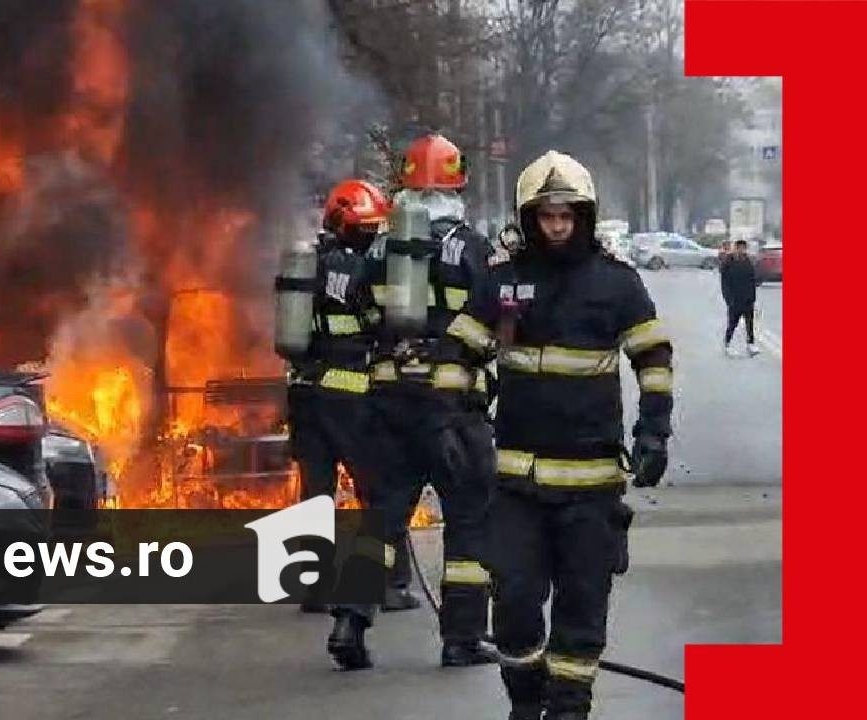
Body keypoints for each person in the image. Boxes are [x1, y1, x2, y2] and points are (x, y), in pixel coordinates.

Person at [485, 150, 673, 720]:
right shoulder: (504, 280)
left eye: (568, 215)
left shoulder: (617, 283)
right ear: (529, 218)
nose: (558, 225)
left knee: (582, 608)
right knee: (514, 605)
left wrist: (654, 432)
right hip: (517, 483)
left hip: (592, 488)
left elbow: (653, 357)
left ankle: (570, 707)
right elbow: (463, 348)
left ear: (585, 216)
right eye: (547, 216)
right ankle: (525, 698)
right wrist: (451, 415)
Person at [328, 133, 500, 670]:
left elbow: (356, 308)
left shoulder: (381, 246)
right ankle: (462, 638)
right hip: (451, 408)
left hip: (388, 403)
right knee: (469, 519)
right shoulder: (470, 245)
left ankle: (349, 620)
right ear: (458, 185)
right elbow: (495, 311)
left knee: (381, 518)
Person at [282, 179, 391, 615]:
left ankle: (313, 586)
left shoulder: (308, 264)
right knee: (375, 490)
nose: (372, 237)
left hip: (304, 394)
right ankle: (382, 581)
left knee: (316, 492)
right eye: (368, 229)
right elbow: (378, 322)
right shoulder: (362, 269)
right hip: (349, 396)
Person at [720, 239, 759, 356]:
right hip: (734, 299)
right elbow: (725, 283)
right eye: (739, 248)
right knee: (732, 323)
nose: (742, 250)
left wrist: (753, 297)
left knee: (750, 323)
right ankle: (727, 344)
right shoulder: (729, 262)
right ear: (735, 248)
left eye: (743, 248)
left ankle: (750, 344)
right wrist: (728, 299)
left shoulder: (748, 261)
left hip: (747, 299)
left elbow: (752, 280)